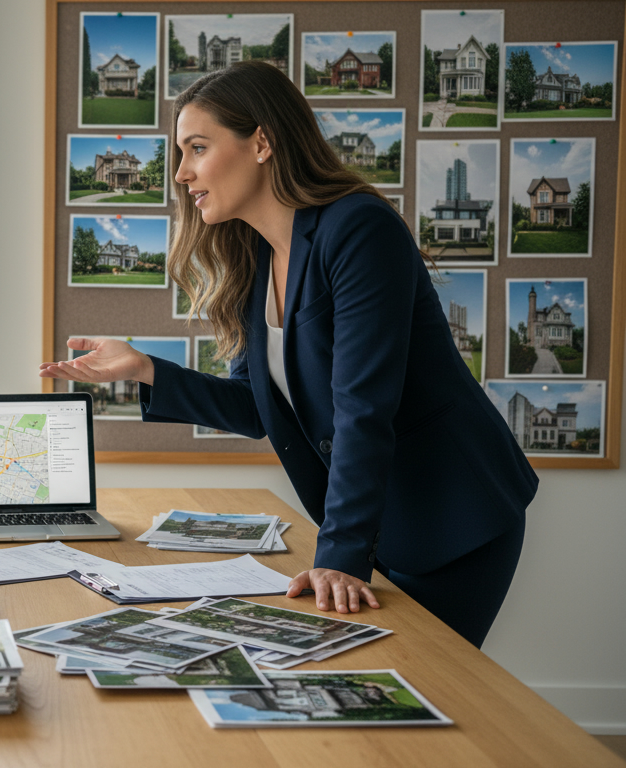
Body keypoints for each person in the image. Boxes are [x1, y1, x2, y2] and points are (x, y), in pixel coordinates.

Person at [40, 61, 536, 648]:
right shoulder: (260, 259)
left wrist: (341, 555)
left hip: (452, 518)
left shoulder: (358, 229)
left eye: (197, 148)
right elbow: (257, 408)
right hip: (376, 525)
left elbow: (362, 407)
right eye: (181, 152)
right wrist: (145, 368)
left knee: (431, 699)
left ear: (263, 142)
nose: (181, 173)